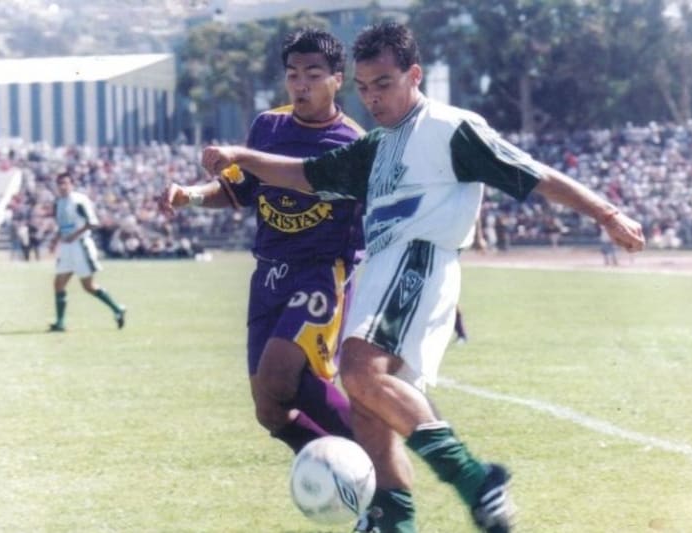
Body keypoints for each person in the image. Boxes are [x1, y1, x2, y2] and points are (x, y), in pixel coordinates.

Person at [200, 21, 646, 533]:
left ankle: (478, 481)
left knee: (360, 372)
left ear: (415, 75)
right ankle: (395, 522)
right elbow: (303, 175)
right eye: (365, 89)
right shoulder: (377, 144)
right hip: (383, 270)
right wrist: (241, 158)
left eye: (384, 84)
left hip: (417, 259)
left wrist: (608, 214)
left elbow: (534, 174)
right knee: (370, 412)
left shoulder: (450, 128)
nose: (373, 98)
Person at [159, 29, 363, 454]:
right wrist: (191, 196)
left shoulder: (353, 145)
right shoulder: (267, 126)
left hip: (321, 273)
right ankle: (344, 468)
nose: (301, 84)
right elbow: (237, 191)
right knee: (269, 409)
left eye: (312, 74)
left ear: (337, 79)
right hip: (268, 276)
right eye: (292, 74)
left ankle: (374, 454)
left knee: (278, 373)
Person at [48, 171, 126, 332]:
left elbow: (92, 223)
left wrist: (74, 235)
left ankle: (117, 309)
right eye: (60, 184)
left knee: (88, 286)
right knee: (58, 284)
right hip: (67, 248)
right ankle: (60, 323)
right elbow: (62, 225)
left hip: (80, 246)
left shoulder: (79, 201)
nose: (63, 186)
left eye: (66, 183)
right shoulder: (58, 202)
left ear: (71, 184)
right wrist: (56, 240)